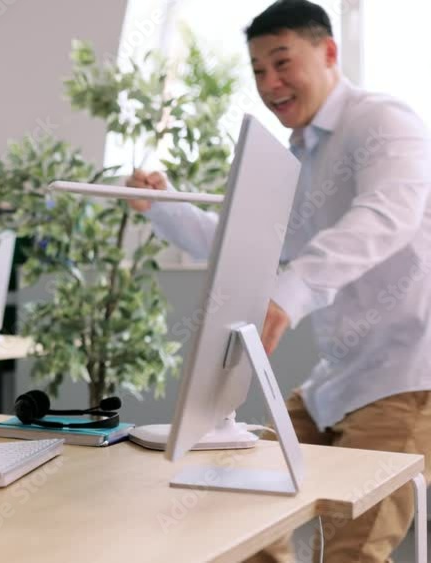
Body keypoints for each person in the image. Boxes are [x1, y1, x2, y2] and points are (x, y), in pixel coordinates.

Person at [126, 1, 431, 561]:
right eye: (259, 70)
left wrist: (289, 293)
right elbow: (249, 243)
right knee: (235, 508)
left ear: (329, 52)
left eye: (283, 63)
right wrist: (162, 206)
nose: (270, 83)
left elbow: (387, 215)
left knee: (350, 553)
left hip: (407, 381)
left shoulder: (382, 121)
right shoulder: (302, 155)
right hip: (335, 381)